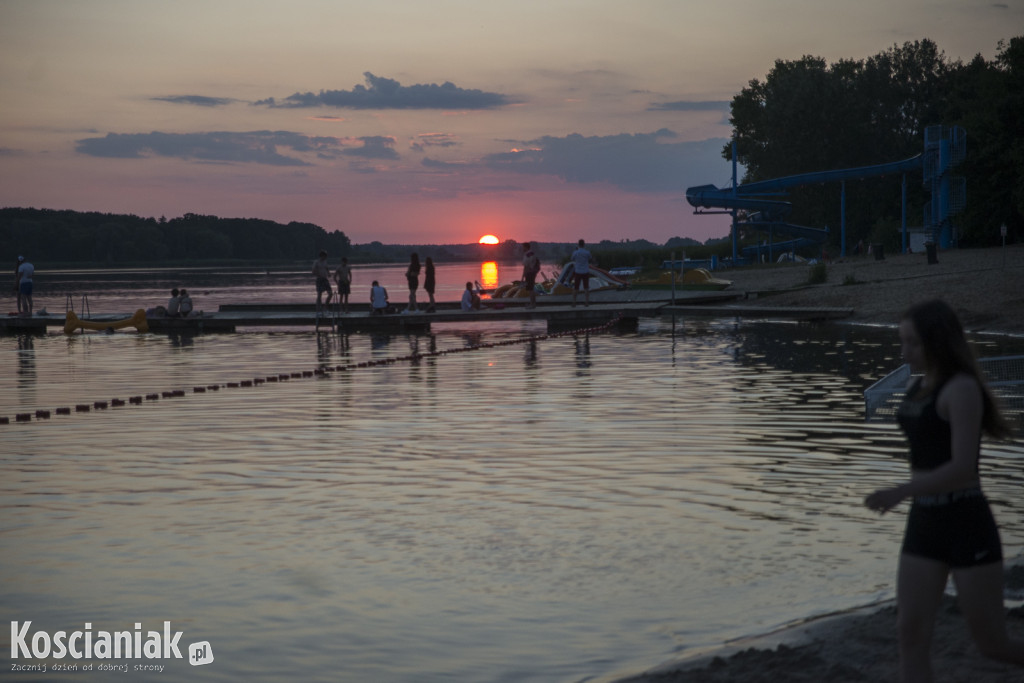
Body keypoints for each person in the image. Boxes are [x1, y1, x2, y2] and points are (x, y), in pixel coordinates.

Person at [864, 299, 1024, 682]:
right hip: (924, 522)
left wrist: (901, 490)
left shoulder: (962, 389)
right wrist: (911, 494)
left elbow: (961, 467)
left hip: (965, 521)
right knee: (910, 634)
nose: (904, 352)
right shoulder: (919, 386)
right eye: (902, 342)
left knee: (992, 645)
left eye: (912, 343)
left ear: (936, 341)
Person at [570, 239, 593, 307]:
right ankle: (586, 302)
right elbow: (590, 258)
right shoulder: (587, 252)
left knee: (576, 288)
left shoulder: (575, 252)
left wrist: (576, 250)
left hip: (578, 272)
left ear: (578, 244)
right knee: (586, 288)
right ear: (584, 244)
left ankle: (574, 302)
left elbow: (572, 259)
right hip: (585, 271)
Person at [521, 242, 541, 309]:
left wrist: (522, 277)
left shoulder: (527, 255)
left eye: (523, 247)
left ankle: (532, 305)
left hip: (529, 273)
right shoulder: (532, 253)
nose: (522, 248)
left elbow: (526, 267)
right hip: (533, 272)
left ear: (526, 247)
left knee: (530, 289)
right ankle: (533, 304)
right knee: (531, 288)